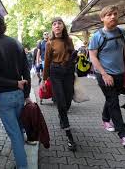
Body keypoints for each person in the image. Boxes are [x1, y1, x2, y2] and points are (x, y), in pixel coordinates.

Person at [0, 12, 32, 169]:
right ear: (4, 25)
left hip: (3, 97)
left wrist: (16, 84)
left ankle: (23, 165)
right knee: (19, 130)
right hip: (18, 95)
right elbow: (26, 70)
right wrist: (27, 94)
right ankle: (21, 158)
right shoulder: (16, 43)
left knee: (15, 135)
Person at [88, 5, 125, 146]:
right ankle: (124, 135)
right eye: (109, 14)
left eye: (115, 14)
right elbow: (93, 57)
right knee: (114, 102)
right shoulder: (97, 36)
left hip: (120, 74)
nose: (113, 17)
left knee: (112, 98)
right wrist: (104, 74)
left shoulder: (122, 33)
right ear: (102, 18)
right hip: (104, 75)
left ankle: (105, 118)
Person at [43, 17, 77, 151]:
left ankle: (62, 114)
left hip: (68, 72)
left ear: (63, 26)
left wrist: (74, 59)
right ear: (52, 28)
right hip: (55, 72)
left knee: (68, 100)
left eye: (59, 23)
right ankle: (69, 134)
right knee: (61, 102)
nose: (57, 26)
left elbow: (73, 57)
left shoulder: (69, 40)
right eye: (54, 24)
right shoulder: (49, 43)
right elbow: (46, 61)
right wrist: (45, 79)